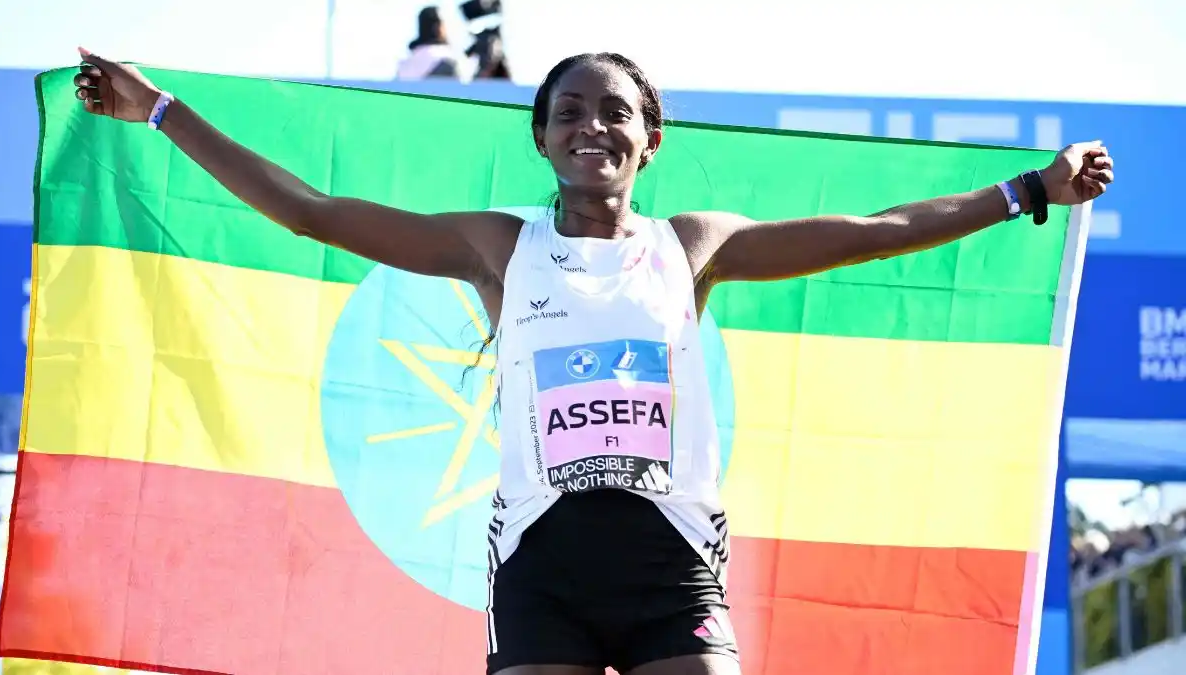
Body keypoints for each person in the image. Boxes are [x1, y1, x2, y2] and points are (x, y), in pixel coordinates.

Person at [71, 47, 1114, 675]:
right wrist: (158, 111)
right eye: (570, 110)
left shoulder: (692, 246)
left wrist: (1029, 190)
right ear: (541, 137)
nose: (592, 126)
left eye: (616, 111)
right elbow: (311, 214)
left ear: (650, 139)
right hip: (540, 568)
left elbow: (875, 230)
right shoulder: (497, 246)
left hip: (672, 567)